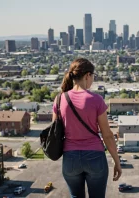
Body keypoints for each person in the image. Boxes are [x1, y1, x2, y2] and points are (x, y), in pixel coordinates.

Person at [52, 58, 122, 198]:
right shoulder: (96, 100)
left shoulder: (59, 99)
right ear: (87, 75)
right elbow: (107, 135)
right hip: (95, 157)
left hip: (70, 158)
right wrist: (116, 161)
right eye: (93, 76)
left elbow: (54, 132)